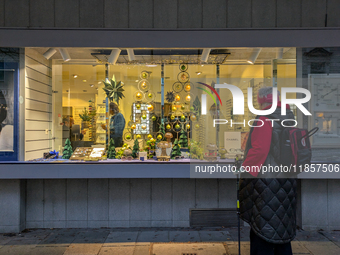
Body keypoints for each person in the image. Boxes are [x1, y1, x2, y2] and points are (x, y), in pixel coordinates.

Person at [239, 87, 297, 255]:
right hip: (287, 181)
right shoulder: (288, 116)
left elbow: (259, 150)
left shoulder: (264, 119)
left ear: (262, 101)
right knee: (281, 229)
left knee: (262, 229)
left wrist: (244, 171)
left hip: (267, 185)